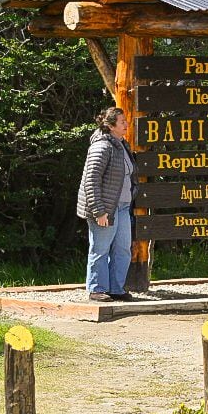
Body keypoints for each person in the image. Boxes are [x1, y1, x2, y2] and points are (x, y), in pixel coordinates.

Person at [76, 107, 137, 303]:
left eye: (125, 121)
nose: (126, 124)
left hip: (123, 207)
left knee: (123, 248)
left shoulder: (122, 145)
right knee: (100, 249)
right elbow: (91, 180)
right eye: (122, 122)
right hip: (105, 209)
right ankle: (96, 289)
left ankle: (116, 289)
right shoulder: (102, 146)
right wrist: (99, 211)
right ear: (111, 126)